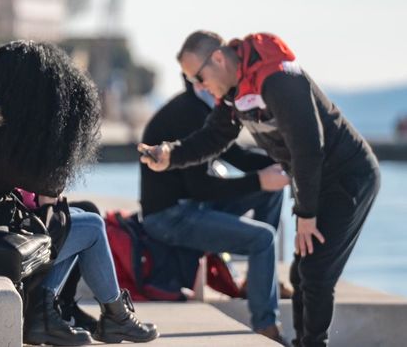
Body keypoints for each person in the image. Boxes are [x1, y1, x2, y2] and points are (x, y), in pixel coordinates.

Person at [139, 31, 380, 347]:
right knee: (301, 275)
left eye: (198, 77)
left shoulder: (278, 80)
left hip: (348, 178)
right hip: (317, 180)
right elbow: (214, 138)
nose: (197, 86)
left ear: (219, 59)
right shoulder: (235, 93)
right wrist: (171, 155)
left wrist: (306, 214)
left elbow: (308, 147)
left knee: (317, 273)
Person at [0, 41, 158, 346]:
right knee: (89, 226)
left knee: (80, 215)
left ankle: (67, 312)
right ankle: (104, 316)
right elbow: (46, 185)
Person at [140, 74, 291, 342]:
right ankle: (266, 326)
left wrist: (284, 163)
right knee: (262, 238)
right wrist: (259, 180)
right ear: (201, 80)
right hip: (169, 218)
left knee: (271, 191)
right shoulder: (189, 113)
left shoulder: (203, 108)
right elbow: (200, 187)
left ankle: (256, 281)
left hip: (194, 207)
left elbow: (237, 156)